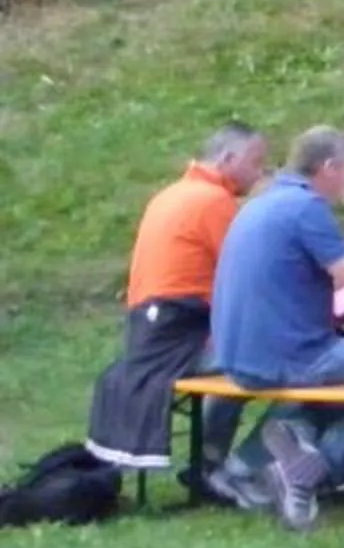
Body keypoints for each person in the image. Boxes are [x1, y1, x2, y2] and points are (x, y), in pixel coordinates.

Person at [206, 126, 344, 531]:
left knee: (337, 383)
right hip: (291, 353)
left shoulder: (262, 202)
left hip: (236, 352)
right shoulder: (306, 209)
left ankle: (249, 462)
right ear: (330, 167)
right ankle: (312, 474)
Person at [87, 123, 269, 483]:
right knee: (258, 361)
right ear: (228, 158)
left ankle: (211, 460)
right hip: (179, 335)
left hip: (147, 332)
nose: (259, 172)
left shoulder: (173, 194)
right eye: (255, 162)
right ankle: (217, 463)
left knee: (243, 358)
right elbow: (250, 272)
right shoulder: (212, 202)